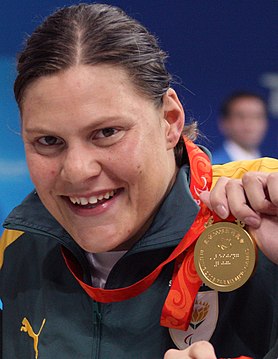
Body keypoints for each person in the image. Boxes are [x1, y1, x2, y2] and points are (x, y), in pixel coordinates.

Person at [0, 4, 277, 359]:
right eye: (49, 141)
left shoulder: (265, 209)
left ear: (170, 120)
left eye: (107, 132)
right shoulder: (21, 239)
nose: (77, 170)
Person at [212, 91, 268, 164]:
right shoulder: (211, 167)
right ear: (224, 123)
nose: (249, 125)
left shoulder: (272, 168)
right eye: (241, 117)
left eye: (256, 117)